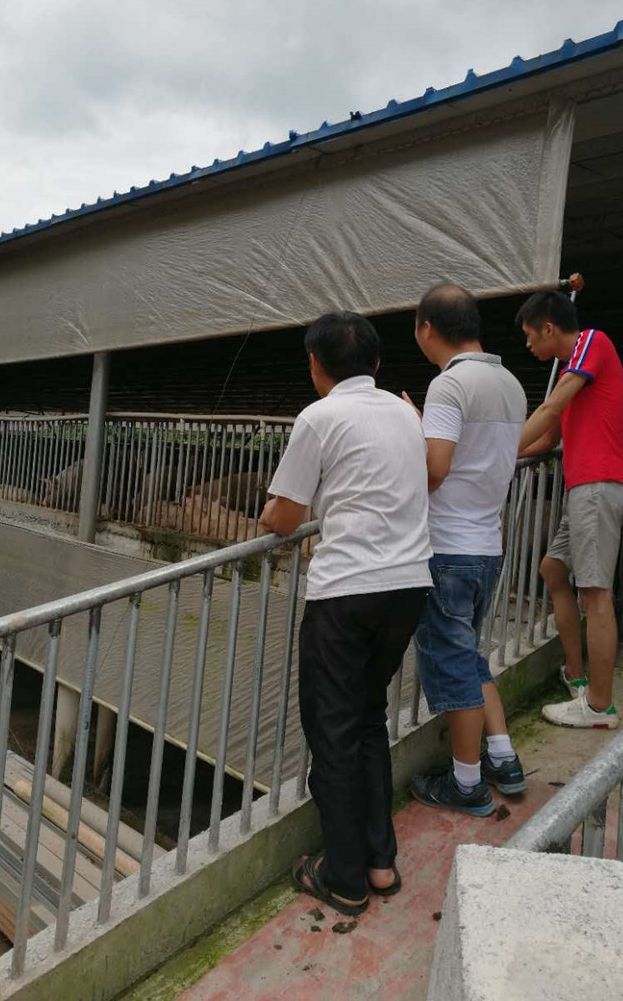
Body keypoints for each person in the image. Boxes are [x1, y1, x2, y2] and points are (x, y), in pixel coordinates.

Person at [260, 311, 432, 916]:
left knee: (332, 730)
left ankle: (344, 879)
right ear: (377, 363)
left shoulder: (319, 416)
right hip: (409, 586)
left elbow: (284, 516)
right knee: (366, 720)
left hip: (346, 594)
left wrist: (269, 517)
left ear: (315, 365)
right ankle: (380, 862)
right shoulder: (408, 415)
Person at [406, 284, 528, 818]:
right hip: (487, 547)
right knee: (469, 653)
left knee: (452, 664)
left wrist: (414, 430)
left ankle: (467, 783)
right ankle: (502, 757)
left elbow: (435, 468)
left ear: (427, 329)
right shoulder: (511, 384)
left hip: (448, 547)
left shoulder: (449, 385)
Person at [516, 287, 623, 730]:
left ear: (549, 328)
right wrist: (502, 460)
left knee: (595, 595)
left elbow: (550, 410)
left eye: (530, 335)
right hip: (587, 490)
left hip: (599, 488)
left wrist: (493, 451)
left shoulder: (591, 343)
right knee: (553, 570)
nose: (528, 344)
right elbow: (549, 437)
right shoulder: (574, 373)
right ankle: (575, 674)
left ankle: (599, 706)